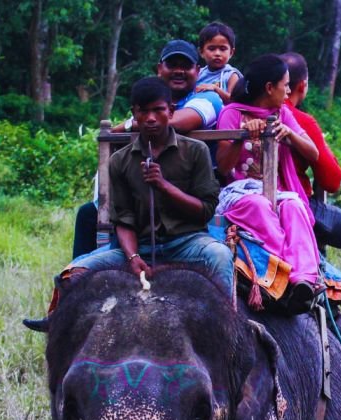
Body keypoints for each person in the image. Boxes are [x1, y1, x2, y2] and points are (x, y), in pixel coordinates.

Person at [23, 78, 231, 331]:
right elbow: (123, 219)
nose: (151, 118)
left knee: (219, 255)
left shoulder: (195, 151)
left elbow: (205, 210)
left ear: (171, 112)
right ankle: (62, 328)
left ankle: (227, 325)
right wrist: (132, 256)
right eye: (143, 112)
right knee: (73, 272)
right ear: (134, 115)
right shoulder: (120, 160)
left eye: (158, 110)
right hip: (140, 245)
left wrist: (164, 186)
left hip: (187, 242)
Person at [71, 39, 224, 259]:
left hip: (191, 193)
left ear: (197, 71)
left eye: (186, 65)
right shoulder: (145, 96)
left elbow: (181, 122)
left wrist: (130, 124)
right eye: (172, 65)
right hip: (139, 206)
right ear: (159, 69)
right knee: (88, 217)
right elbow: (123, 214)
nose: (179, 71)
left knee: (218, 253)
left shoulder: (207, 98)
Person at [279, 51, 341, 364]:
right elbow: (332, 180)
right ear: (302, 86)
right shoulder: (299, 120)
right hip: (296, 206)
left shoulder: (237, 111)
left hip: (238, 203)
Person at [215, 54, 321, 306]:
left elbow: (313, 152)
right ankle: (277, 274)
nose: (287, 92)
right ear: (269, 87)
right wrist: (242, 136)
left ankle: (304, 279)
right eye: (284, 85)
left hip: (277, 191)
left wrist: (291, 136)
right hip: (240, 193)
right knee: (259, 206)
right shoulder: (232, 113)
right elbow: (223, 166)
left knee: (294, 207)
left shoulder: (283, 113)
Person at [195, 22, 242, 103]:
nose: (217, 53)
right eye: (212, 48)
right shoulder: (198, 74)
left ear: (231, 52)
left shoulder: (231, 75)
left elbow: (234, 101)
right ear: (201, 52)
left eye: (223, 49)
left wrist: (216, 89)